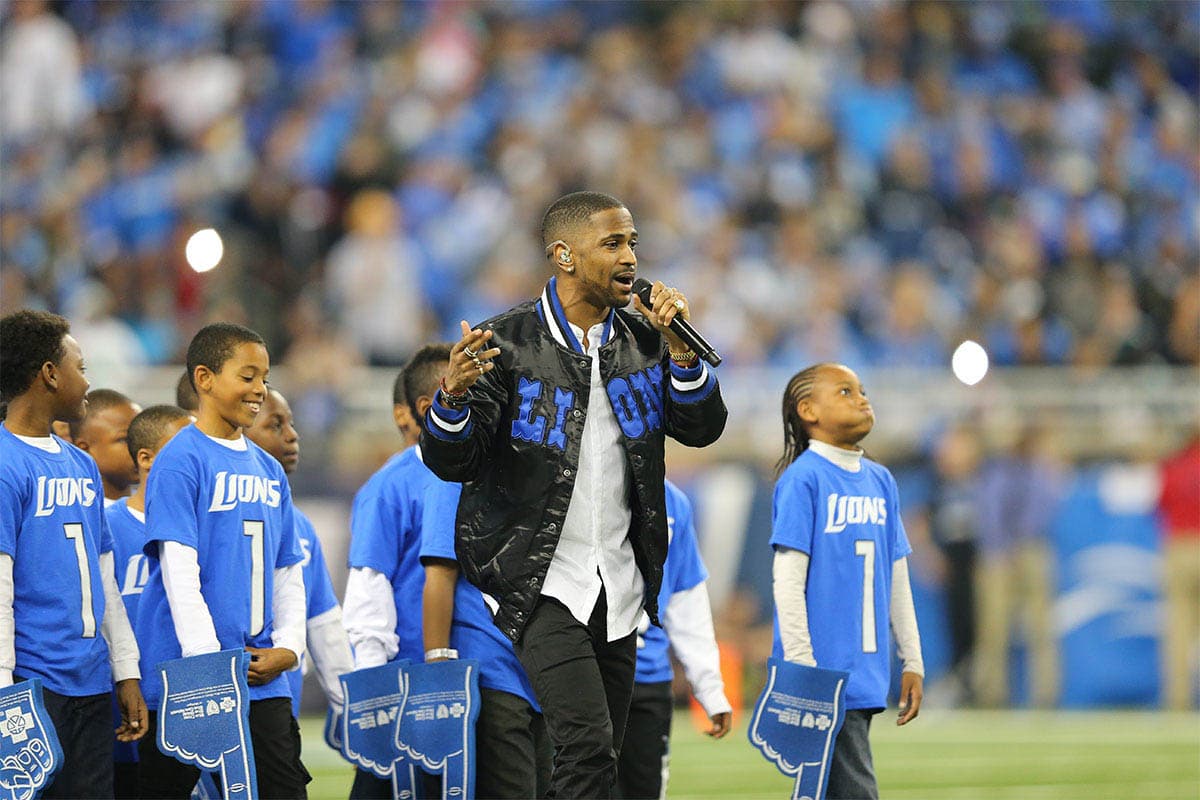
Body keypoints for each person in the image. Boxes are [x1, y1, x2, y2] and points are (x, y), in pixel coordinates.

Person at [420, 190, 727, 797]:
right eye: (612, 244)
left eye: (633, 242)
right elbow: (452, 460)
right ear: (564, 254)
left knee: (598, 755)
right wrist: (452, 397)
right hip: (540, 581)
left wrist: (684, 353)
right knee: (586, 747)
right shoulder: (502, 343)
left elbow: (701, 427)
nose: (630, 257)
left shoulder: (645, 340)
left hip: (620, 581)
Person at [134, 323, 310, 798]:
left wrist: (290, 646)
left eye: (264, 378)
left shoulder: (270, 470)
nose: (259, 391)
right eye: (248, 376)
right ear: (205, 379)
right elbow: (178, 571)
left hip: (261, 674)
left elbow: (287, 569)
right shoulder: (180, 461)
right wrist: (209, 664)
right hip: (189, 677)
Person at [0, 309, 148, 799]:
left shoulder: (82, 465)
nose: (87, 381)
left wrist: (125, 670)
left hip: (91, 681)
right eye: (80, 367)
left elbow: (105, 579)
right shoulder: (5, 464)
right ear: (48, 374)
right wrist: (5, 695)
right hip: (33, 685)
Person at [770, 362, 924, 800]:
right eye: (844, 391)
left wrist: (912, 658)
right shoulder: (804, 479)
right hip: (823, 672)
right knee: (854, 789)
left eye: (862, 390)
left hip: (867, 671)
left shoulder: (881, 480)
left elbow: (897, 574)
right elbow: (787, 578)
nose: (861, 398)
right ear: (808, 410)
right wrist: (802, 664)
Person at [415, 343, 553, 799]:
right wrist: (438, 664)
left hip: (542, 664)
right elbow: (439, 573)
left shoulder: (541, 471)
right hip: (490, 663)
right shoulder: (454, 471)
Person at [342, 350, 456, 799]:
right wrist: (374, 689)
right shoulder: (390, 486)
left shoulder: (492, 469)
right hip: (410, 686)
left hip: (482, 676)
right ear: (429, 408)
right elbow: (369, 588)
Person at [244, 387, 354, 722]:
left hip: (279, 706)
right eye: (275, 426)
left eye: (291, 425)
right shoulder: (207, 514)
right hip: (214, 704)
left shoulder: (299, 525)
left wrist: (354, 715)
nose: (293, 437)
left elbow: (323, 622)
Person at [618, 479, 732, 800]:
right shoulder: (574, 482)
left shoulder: (675, 502)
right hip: (588, 678)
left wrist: (710, 689)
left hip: (648, 679)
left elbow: (687, 598)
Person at [106, 404, 191, 798]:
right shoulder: (107, 526)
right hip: (118, 705)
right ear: (146, 458)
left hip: (182, 702)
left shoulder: (197, 528)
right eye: (184, 447)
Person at [974, 425, 1063, 708]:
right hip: (1008, 553)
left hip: (1021, 551)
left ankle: (1044, 695)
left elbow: (1036, 510)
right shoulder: (1004, 472)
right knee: (995, 630)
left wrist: (1010, 543)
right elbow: (991, 512)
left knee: (1038, 628)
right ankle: (994, 694)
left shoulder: (1033, 471)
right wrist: (1007, 544)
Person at [1157, 429, 1199, 710]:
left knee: (1179, 630)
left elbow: (1160, 505)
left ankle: (1178, 701)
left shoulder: (1173, 465)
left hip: (1180, 545)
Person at [69, 388, 142, 504]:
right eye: (126, 439)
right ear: (84, 449)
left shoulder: (155, 506)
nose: (141, 448)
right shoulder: (79, 512)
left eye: (143, 437)